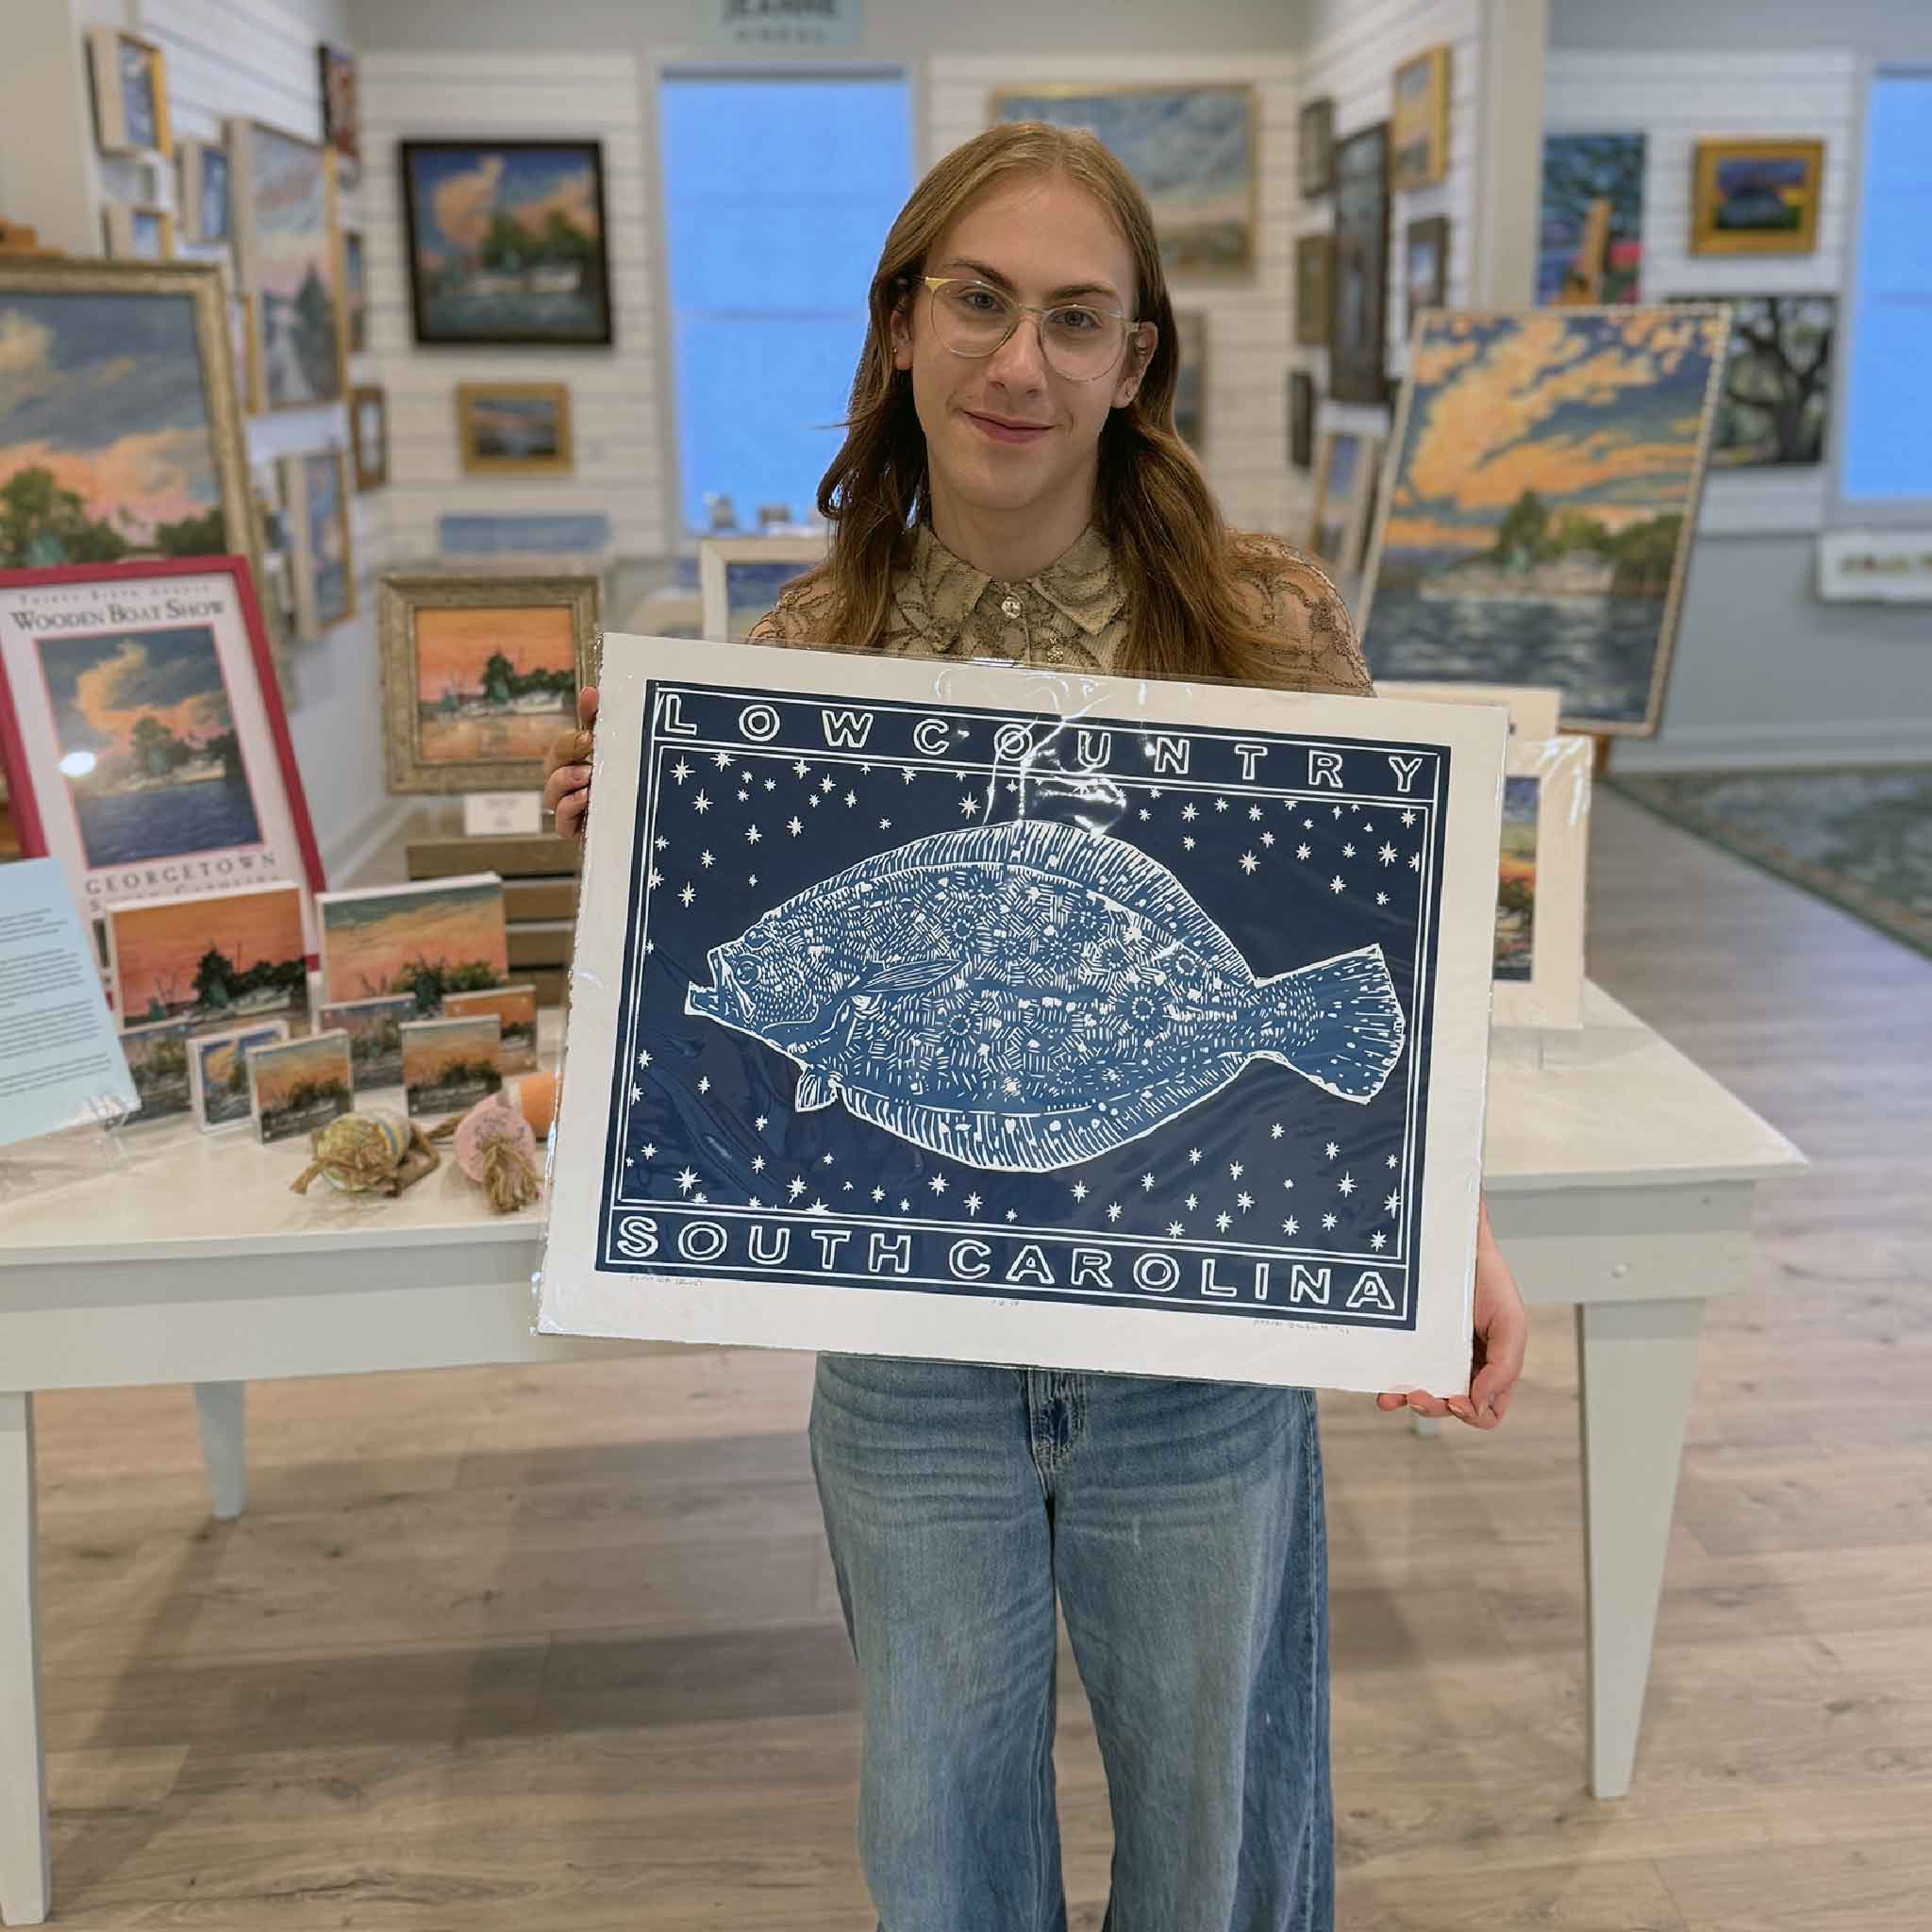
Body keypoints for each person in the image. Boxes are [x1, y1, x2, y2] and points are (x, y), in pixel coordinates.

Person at [544, 121, 1526, 1932]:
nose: (1022, 361)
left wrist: (1445, 1224)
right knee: (934, 1819)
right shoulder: (790, 660)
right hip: (907, 1371)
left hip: (1196, 1354)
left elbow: (1381, 951)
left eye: (1078, 319)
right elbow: (704, 1053)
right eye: (980, 303)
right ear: (901, 322)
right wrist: (629, 886)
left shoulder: (1265, 626)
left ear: (1137, 359)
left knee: (1217, 1814)